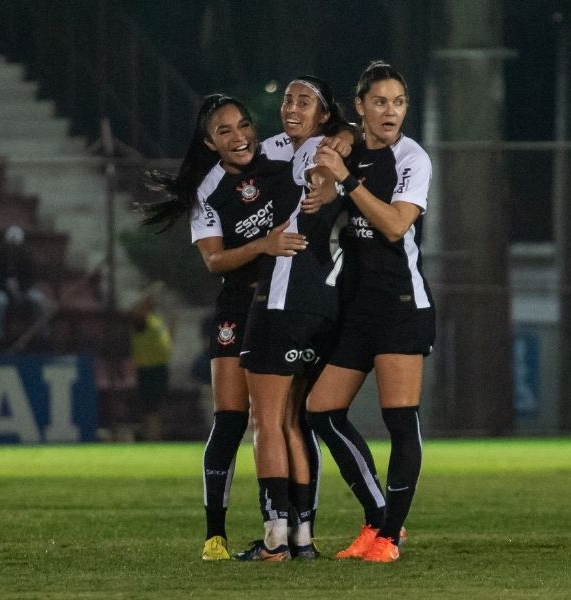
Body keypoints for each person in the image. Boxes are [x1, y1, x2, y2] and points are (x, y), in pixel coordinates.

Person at [137, 94, 309, 561]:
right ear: (211, 143)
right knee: (231, 420)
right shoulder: (206, 194)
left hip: (283, 304)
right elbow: (214, 260)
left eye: (244, 125)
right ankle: (216, 535)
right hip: (238, 307)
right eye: (226, 131)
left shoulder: (277, 153)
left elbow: (322, 141)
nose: (240, 137)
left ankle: (296, 532)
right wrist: (265, 244)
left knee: (286, 420)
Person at [307, 60, 435, 563]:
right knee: (321, 411)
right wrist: (327, 171)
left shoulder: (412, 159)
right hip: (358, 306)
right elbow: (320, 189)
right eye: (380, 102)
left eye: (399, 102)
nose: (391, 111)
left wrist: (346, 181)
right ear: (361, 107)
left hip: (403, 305)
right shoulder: (349, 146)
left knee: (400, 421)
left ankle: (387, 537)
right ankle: (377, 514)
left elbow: (396, 226)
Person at [232, 75, 354, 562]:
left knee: (265, 422)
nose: (291, 106)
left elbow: (321, 173)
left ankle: (273, 541)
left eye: (304, 101)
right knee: (293, 422)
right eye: (287, 99)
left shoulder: (318, 150)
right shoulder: (297, 144)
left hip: (285, 298)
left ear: (324, 115)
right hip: (322, 302)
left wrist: (324, 183)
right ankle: (302, 540)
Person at [0, 225, 50, 345]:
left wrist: (19, 289)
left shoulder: (27, 258)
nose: (13, 248)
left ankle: (42, 335)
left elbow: (30, 279)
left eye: (16, 245)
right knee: (0, 302)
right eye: (10, 245)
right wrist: (7, 287)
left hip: (23, 289)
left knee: (38, 299)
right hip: (0, 289)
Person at [127, 285, 171, 440]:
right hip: (147, 368)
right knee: (150, 405)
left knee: (156, 405)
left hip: (159, 366)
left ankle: (154, 434)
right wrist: (151, 291)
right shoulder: (140, 321)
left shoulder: (154, 319)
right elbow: (137, 309)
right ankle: (152, 435)